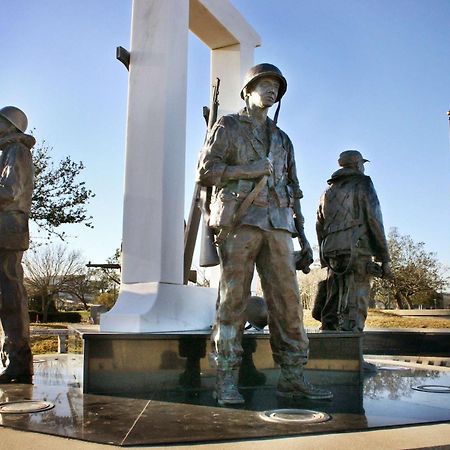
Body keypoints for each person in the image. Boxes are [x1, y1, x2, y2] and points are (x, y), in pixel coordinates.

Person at [197, 63, 332, 405]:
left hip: (279, 227)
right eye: (265, 84)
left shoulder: (283, 140)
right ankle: (226, 378)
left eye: (276, 87)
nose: (271, 91)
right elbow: (207, 171)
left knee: (288, 303)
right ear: (248, 90)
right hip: (240, 222)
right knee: (232, 301)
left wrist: (303, 238)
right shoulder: (227, 125)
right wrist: (248, 169)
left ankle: (293, 376)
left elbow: (294, 190)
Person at [316, 150, 391, 333]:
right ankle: (352, 357)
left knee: (332, 302)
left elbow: (319, 226)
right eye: (362, 164)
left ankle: (327, 353)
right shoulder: (363, 183)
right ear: (358, 165)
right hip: (358, 249)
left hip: (332, 251)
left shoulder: (327, 191)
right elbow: (374, 219)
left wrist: (325, 257)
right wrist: (385, 258)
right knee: (356, 302)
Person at [0, 106, 35, 383]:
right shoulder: (9, 151)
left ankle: (18, 361)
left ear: (9, 125)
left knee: (9, 294)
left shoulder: (16, 150)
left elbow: (9, 192)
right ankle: (13, 359)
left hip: (8, 228)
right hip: (7, 227)